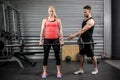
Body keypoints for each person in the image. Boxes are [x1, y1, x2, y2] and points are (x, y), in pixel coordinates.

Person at [67, 5, 98, 75]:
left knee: (92, 56)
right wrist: (79, 38)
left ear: (89, 11)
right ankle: (81, 69)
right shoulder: (84, 20)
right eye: (83, 12)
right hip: (82, 41)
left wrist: (73, 36)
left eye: (85, 12)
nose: (84, 13)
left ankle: (96, 69)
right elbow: (82, 31)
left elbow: (83, 30)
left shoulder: (91, 21)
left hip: (88, 41)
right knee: (82, 55)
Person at [39, 6, 64, 79]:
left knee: (57, 56)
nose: (51, 12)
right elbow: (42, 30)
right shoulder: (44, 20)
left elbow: (61, 31)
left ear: (54, 11)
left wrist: (62, 40)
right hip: (47, 40)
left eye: (52, 11)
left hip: (56, 39)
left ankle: (58, 72)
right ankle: (44, 72)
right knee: (45, 56)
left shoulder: (58, 20)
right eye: (50, 11)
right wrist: (40, 40)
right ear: (48, 11)